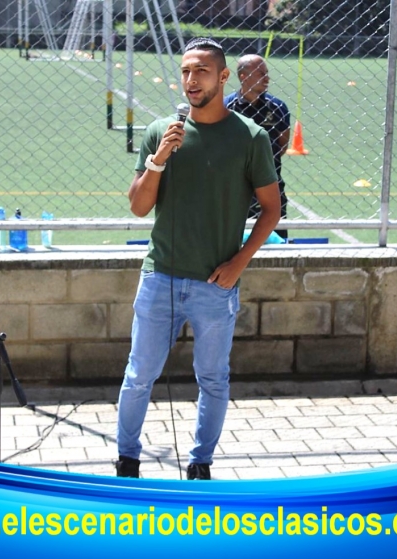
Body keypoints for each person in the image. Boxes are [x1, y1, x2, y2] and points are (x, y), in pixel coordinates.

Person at [116, 38, 281, 479]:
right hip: (160, 278)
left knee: (212, 380)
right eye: (187, 71)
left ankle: (200, 464)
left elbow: (272, 209)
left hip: (215, 284)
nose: (192, 80)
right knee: (139, 376)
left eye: (202, 72)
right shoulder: (160, 132)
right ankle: (126, 460)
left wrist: (239, 264)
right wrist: (158, 160)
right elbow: (137, 207)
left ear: (223, 77)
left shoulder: (251, 137)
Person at [224, 54, 291, 239]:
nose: (267, 78)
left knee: (276, 241)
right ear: (243, 77)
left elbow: (282, 145)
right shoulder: (226, 107)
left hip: (271, 184)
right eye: (261, 73)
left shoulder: (278, 108)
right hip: (235, 188)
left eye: (267, 73)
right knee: (233, 242)